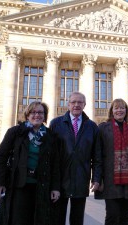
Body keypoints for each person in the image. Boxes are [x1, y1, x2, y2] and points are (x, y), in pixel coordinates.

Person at [0, 101, 60, 225]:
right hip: (19, 185)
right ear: (27, 115)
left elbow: (55, 164)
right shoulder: (16, 132)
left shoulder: (51, 136)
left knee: (38, 220)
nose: (37, 115)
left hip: (42, 186)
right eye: (33, 112)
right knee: (18, 220)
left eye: (40, 112)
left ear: (44, 116)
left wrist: (55, 187)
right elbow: (0, 156)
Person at [49, 91, 102, 225]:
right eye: (73, 102)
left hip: (81, 178)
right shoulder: (56, 124)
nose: (76, 105)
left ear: (84, 105)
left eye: (80, 102)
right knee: (57, 218)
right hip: (59, 179)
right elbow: (49, 154)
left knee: (77, 219)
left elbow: (97, 156)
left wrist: (96, 178)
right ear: (68, 105)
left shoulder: (92, 126)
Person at [94, 98, 128, 225]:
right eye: (116, 108)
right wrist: (97, 179)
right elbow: (98, 155)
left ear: (126, 111)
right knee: (112, 216)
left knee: (125, 217)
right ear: (112, 111)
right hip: (110, 180)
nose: (119, 110)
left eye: (122, 108)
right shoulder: (103, 128)